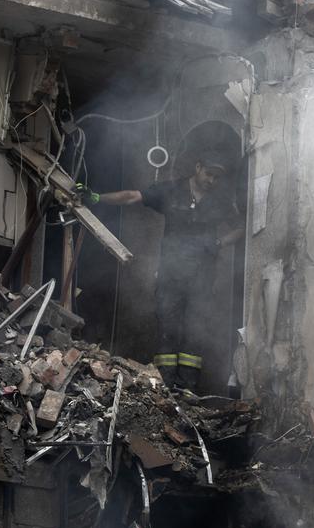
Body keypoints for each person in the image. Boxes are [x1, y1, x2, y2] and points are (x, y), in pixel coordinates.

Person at [80, 154, 243, 392]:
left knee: (194, 332)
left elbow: (241, 226)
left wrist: (219, 243)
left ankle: (188, 390)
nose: (212, 181)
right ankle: (166, 387)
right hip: (171, 274)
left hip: (202, 277)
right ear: (198, 167)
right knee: (168, 329)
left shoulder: (220, 201)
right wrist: (96, 197)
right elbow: (132, 196)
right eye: (209, 174)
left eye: (217, 177)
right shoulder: (172, 190)